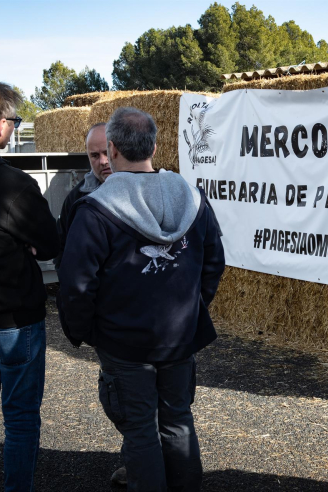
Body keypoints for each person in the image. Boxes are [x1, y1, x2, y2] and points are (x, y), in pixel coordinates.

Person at [57, 107, 225, 491]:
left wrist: (85, 331)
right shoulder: (192, 198)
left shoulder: (97, 209)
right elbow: (214, 263)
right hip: (179, 337)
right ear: (154, 147)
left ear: (113, 149)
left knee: (140, 429)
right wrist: (191, 311)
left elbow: (76, 284)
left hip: (123, 342)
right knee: (178, 421)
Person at [0, 82, 59, 491]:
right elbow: (49, 244)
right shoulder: (14, 184)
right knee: (19, 418)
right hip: (14, 323)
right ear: (1, 126)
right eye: (15, 122)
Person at [54, 122, 110, 268]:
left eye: (107, 153)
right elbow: (61, 246)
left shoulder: (141, 191)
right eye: (95, 155)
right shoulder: (76, 198)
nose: (103, 161)